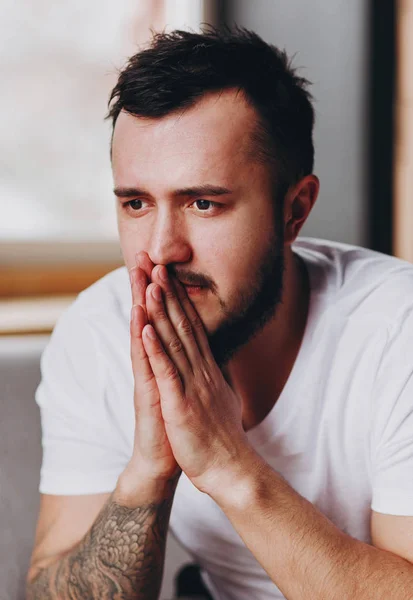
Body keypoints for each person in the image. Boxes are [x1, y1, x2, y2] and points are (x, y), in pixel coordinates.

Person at [26, 25, 413, 600]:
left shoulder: (396, 330)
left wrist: (228, 465)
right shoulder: (98, 330)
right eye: (136, 203)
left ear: (295, 210)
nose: (161, 249)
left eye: (203, 203)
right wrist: (148, 472)